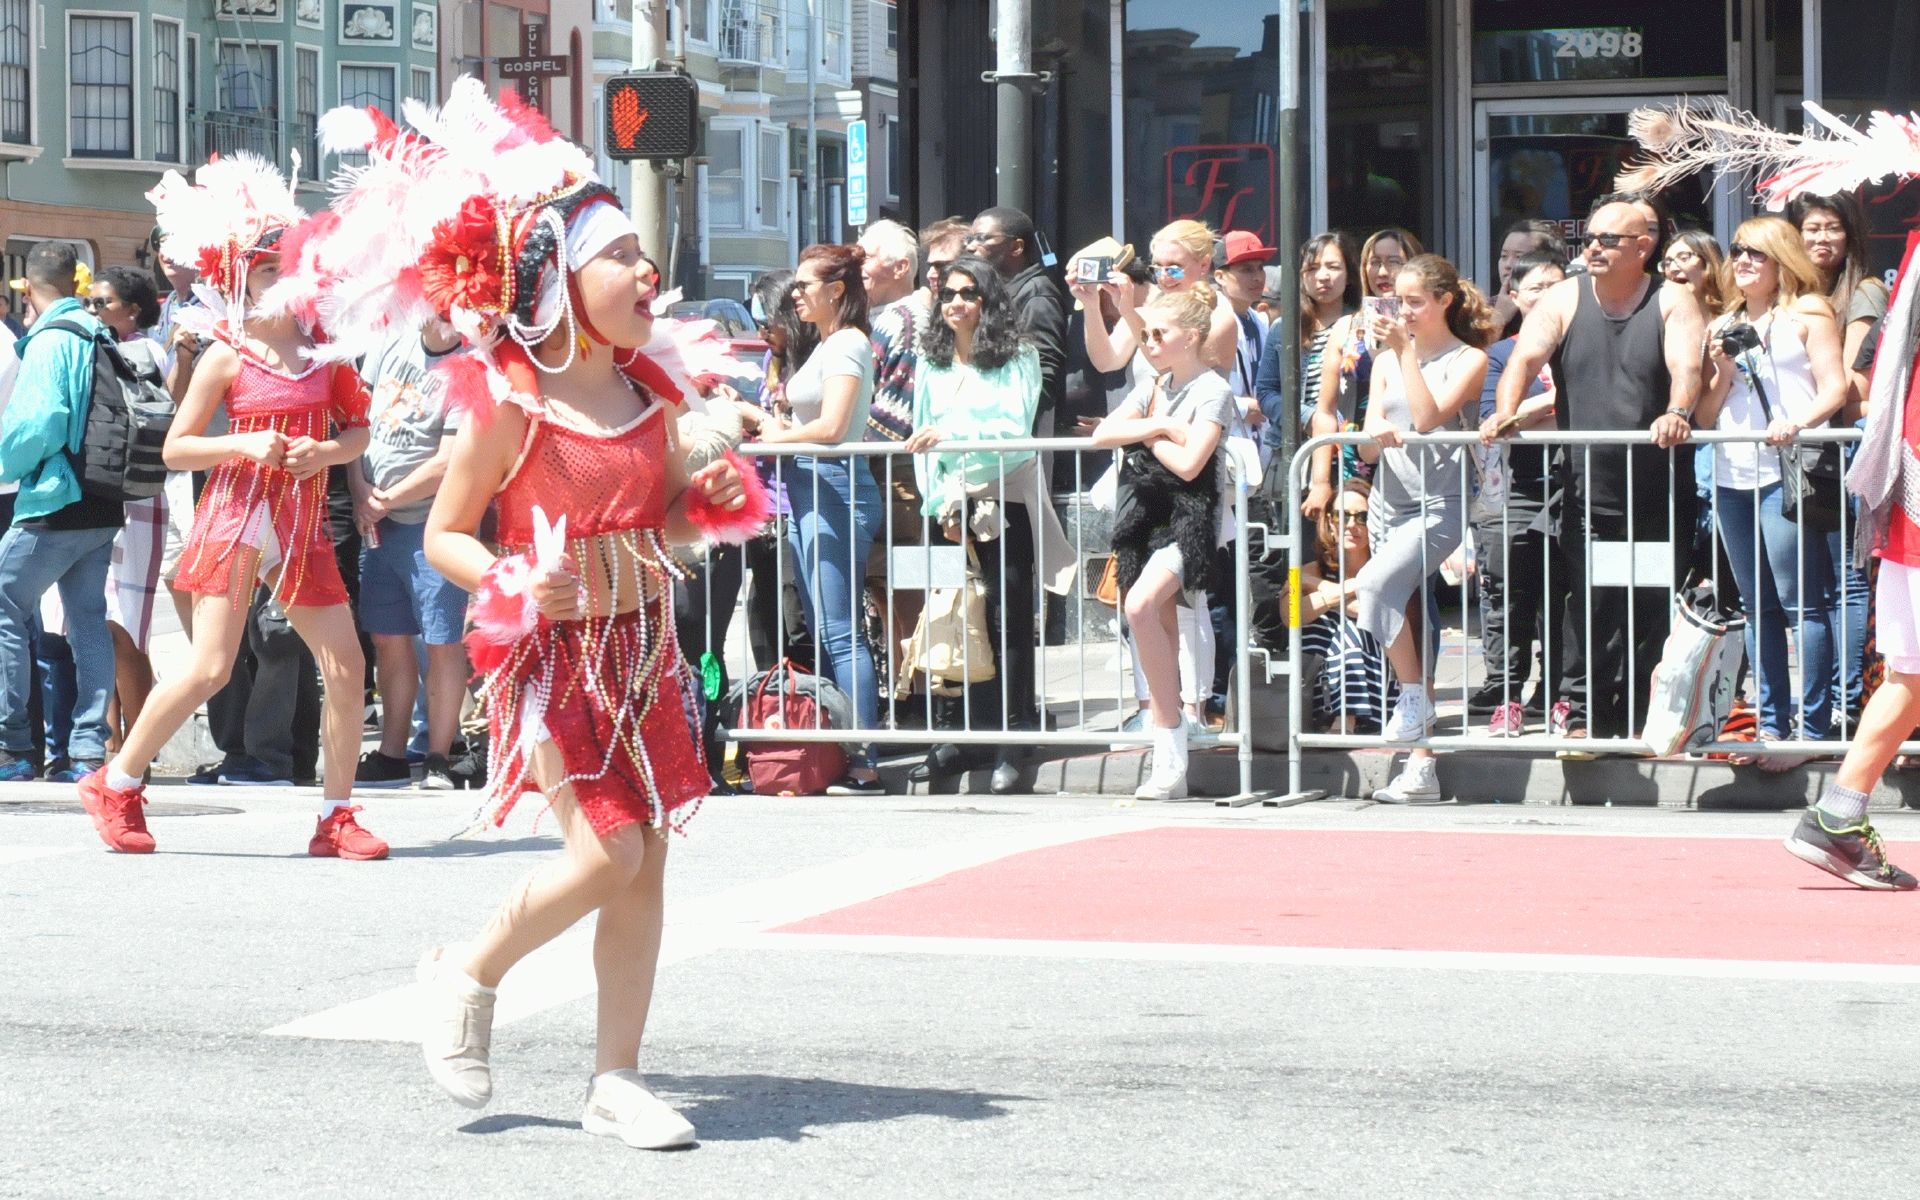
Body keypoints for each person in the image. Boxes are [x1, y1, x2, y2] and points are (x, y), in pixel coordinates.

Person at [294, 80, 751, 1143]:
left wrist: (710, 500)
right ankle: (464, 970)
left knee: (648, 860)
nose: (649, 273)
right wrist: (507, 583)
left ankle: (617, 1077)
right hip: (554, 661)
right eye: (622, 257)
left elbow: (671, 521)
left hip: (646, 653)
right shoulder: (512, 399)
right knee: (610, 854)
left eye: (645, 255)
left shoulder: (649, 390)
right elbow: (452, 535)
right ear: (556, 279)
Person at [77, 154, 378, 858]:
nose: (287, 280)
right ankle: (116, 782)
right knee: (210, 666)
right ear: (242, 278)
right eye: (272, 269)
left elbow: (358, 429)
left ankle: (336, 815)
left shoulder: (328, 354)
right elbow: (177, 449)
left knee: (346, 665)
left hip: (302, 522)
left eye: (292, 268)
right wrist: (244, 447)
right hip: (240, 514)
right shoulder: (225, 355)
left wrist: (327, 455)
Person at [1483, 193, 1706, 747]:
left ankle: (1646, 715)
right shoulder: (1564, 296)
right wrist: (1505, 411)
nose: (1595, 248)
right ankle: (1581, 714)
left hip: (1658, 489)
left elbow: (1687, 366)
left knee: (1653, 605)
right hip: (1586, 489)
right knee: (1590, 607)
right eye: (1590, 239)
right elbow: (1524, 359)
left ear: (1643, 247)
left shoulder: (1673, 299)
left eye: (1609, 240)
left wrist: (1677, 412)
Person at [903, 255, 1075, 794]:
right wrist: (939, 504)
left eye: (969, 293)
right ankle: (969, 732)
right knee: (959, 614)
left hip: (1005, 499)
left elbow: (1011, 428)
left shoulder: (1018, 356)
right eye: (949, 293)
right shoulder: (929, 359)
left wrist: (948, 437)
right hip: (950, 506)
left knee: (1009, 617)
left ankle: (1014, 732)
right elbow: (918, 436)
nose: (956, 302)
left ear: (989, 300)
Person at [1692, 217, 1847, 765]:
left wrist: (1797, 422)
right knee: (1758, 606)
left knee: (1801, 600)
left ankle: (1810, 728)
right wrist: (1719, 368)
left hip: (1787, 471)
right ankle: (1773, 726)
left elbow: (1836, 388)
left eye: (1756, 252)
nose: (1743, 261)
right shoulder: (1726, 321)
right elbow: (1706, 413)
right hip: (1732, 471)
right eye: (1737, 251)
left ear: (1782, 258)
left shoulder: (1808, 312)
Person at [1352, 254, 1492, 803]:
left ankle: (1414, 700)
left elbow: (1431, 417)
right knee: (1408, 616)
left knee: (1371, 587)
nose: (1402, 311)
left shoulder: (1469, 359)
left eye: (1413, 301)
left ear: (1443, 302)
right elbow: (1364, 444)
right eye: (1396, 300)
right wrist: (1378, 430)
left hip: (1440, 503)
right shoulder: (1386, 360)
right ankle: (1421, 765)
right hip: (1390, 500)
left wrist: (1404, 351)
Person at [1091, 284, 1235, 801]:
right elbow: (1102, 433)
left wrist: (1147, 436)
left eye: (1159, 334)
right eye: (1145, 334)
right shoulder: (1154, 384)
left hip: (1191, 518)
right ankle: (1170, 743)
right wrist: (1160, 424)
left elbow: (1191, 463)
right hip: (1147, 516)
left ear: (1191, 337)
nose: (1148, 343)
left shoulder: (1212, 388)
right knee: (1157, 623)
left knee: (1139, 606)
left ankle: (1173, 734)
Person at [754, 244, 886, 795]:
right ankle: (841, 752)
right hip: (812, 487)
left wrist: (778, 435)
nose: (795, 295)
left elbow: (833, 428)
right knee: (825, 632)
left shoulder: (850, 342)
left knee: (840, 630)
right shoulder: (830, 343)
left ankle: (864, 760)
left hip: (835, 486)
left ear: (837, 290)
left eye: (805, 285)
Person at [0, 244, 125, 784]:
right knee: (88, 621)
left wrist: (5, 461)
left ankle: (13, 748)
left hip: (55, 499)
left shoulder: (51, 339)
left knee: (5, 602)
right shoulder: (101, 330)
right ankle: (86, 751)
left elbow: (38, 422)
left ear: (28, 287)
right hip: (104, 498)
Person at [349, 319, 471, 791]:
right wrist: (360, 490)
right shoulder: (389, 341)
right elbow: (357, 420)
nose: (436, 309)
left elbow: (449, 461)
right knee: (389, 637)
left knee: (442, 642)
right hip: (376, 519)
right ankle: (392, 753)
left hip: (432, 521)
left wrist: (386, 498)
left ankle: (439, 755)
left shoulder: (470, 365)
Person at [83, 266, 183, 764]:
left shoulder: (148, 351)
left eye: (102, 303)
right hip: (109, 494)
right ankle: (113, 741)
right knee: (105, 622)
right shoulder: (104, 345)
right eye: (90, 302)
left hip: (139, 497)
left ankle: (133, 750)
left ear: (133, 310)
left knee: (126, 626)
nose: (92, 311)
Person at [1795, 192, 1888, 722]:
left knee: (1847, 580)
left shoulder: (1866, 291)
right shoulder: (1793, 292)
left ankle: (1848, 699)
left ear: (1849, 235)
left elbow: (1851, 383)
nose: (1820, 239)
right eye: (1810, 228)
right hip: (1799, 450)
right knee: (1810, 589)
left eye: (1831, 228)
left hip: (1840, 446)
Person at [1470, 249, 1566, 733]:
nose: (1548, 296)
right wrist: (1554, 402)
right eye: (1536, 288)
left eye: (1557, 286)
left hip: (1574, 483)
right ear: (1514, 296)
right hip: (1517, 486)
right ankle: (1506, 694)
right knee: (1511, 595)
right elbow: (1496, 419)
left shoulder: (1578, 347)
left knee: (1565, 596)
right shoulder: (1502, 355)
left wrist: (1538, 406)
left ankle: (1558, 693)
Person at [1299, 227, 1424, 521]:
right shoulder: (1345, 327)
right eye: (1373, 261)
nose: (1382, 271)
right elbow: (1326, 410)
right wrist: (1320, 483)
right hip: (1354, 466)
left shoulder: (1428, 326)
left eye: (1394, 262)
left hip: (1413, 460)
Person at [1079, 219, 1240, 382]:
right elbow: (1105, 362)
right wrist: (1090, 303)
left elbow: (1171, 371)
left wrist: (1129, 313)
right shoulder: (1144, 314)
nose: (1164, 277)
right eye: (1157, 267)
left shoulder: (1218, 319)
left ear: (1204, 265)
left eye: (1174, 268)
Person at [1297, 478, 1397, 732]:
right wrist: (1353, 589)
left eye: (1362, 517)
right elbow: (1290, 614)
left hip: (1378, 684)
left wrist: (1316, 588)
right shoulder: (1309, 569)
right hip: (1319, 682)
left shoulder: (1387, 566)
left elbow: (1372, 614)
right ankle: (1338, 718)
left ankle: (1347, 719)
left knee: (1348, 631)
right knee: (1320, 627)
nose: (1352, 525)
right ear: (1330, 521)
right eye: (1343, 516)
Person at [1255, 231, 1359, 465]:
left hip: (1348, 451)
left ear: (1349, 274)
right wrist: (1308, 418)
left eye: (1333, 267)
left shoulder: (1361, 326)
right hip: (1293, 450)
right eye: (1311, 269)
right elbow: (1265, 391)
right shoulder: (1284, 327)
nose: (1323, 276)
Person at [965, 207, 1069, 433]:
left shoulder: (1036, 293)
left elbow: (1045, 373)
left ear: (1016, 247)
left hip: (1014, 437)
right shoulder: (993, 293)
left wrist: (1010, 423)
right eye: (969, 239)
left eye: (982, 238)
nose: (970, 247)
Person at [1491, 219, 1567, 337]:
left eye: (1519, 256)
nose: (1508, 264)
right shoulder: (1483, 309)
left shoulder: (1567, 304)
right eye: (1504, 256)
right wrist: (1498, 319)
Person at [1661, 231, 1728, 316]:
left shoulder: (1736, 317)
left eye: (1683, 258)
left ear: (1708, 262)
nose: (1672, 268)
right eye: (1667, 263)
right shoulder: (1659, 318)